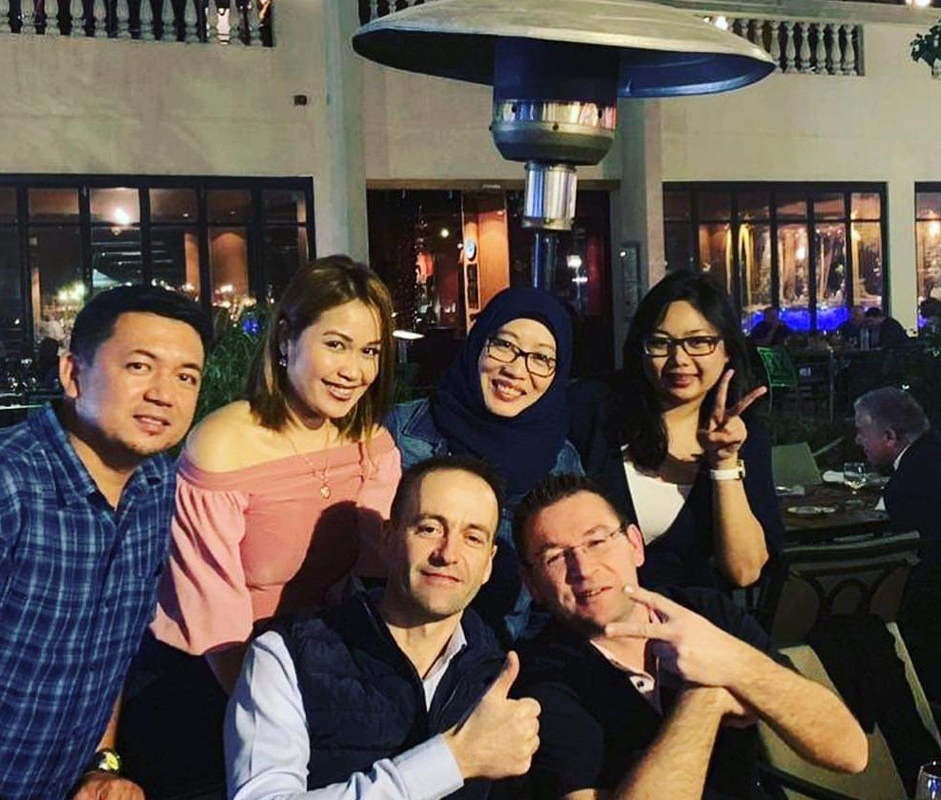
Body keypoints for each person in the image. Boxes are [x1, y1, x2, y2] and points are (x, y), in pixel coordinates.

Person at [0, 285, 211, 800]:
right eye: (139, 366)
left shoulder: (155, 486)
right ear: (72, 374)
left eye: (186, 376)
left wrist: (101, 766)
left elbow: (108, 651)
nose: (164, 394)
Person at [513, 474, 868, 800]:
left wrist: (734, 662)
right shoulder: (542, 678)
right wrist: (705, 696)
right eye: (555, 557)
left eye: (597, 541)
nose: (584, 568)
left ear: (635, 545)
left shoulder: (705, 611)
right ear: (532, 585)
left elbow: (849, 752)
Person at [225, 456, 541, 800]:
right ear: (388, 539)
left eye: (473, 537)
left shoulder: (501, 673)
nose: (448, 553)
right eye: (429, 528)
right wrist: (454, 760)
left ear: (489, 565)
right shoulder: (286, 654)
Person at [152, 255, 401, 689]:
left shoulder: (371, 443)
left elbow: (377, 580)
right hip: (230, 679)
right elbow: (215, 624)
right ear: (286, 338)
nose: (354, 371)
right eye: (336, 345)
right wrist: (269, 713)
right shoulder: (222, 447)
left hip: (337, 670)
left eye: (370, 352)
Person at [386, 287, 583, 641]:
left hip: (509, 655)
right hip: (399, 644)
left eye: (541, 358)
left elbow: (562, 592)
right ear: (478, 342)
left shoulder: (561, 461)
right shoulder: (402, 431)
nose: (516, 369)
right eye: (504, 345)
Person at [569, 271, 782, 590]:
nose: (679, 359)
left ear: (727, 349)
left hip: (697, 618)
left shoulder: (743, 433)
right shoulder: (593, 410)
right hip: (599, 613)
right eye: (660, 343)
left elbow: (744, 572)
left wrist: (724, 463)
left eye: (698, 342)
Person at [854, 387, 941, 704]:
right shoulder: (933, 451)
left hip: (927, 616)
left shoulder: (908, 484)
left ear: (890, 436)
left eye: (861, 432)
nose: (857, 440)